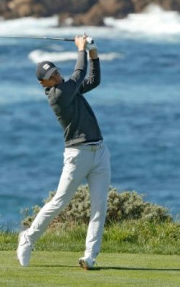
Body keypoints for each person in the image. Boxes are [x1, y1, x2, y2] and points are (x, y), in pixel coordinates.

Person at [17, 35, 111, 270]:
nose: (57, 77)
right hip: (77, 155)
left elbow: (92, 80)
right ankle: (27, 238)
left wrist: (93, 53)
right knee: (59, 201)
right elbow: (79, 74)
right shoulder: (58, 96)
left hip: (100, 151)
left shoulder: (68, 89)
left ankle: (90, 256)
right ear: (44, 84)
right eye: (51, 77)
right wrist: (81, 49)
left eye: (57, 72)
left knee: (99, 206)